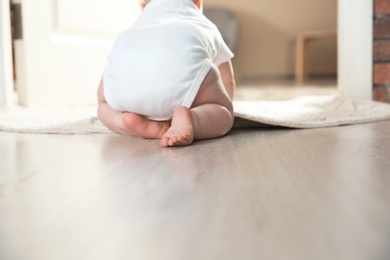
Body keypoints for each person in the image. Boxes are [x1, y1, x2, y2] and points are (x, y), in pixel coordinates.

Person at [97, 0, 236, 147]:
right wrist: (222, 102)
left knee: (103, 106)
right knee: (224, 112)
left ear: (144, 7)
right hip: (182, 86)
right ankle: (192, 119)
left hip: (126, 91)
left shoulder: (137, 26)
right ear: (197, 3)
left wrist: (104, 100)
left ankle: (122, 120)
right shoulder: (205, 24)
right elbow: (228, 80)